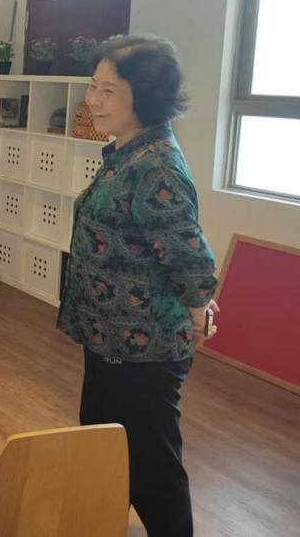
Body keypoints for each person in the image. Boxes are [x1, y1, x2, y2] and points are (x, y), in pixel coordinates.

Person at [57, 35, 219, 537]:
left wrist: (199, 311)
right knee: (102, 451)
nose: (94, 100)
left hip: (143, 349)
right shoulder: (128, 154)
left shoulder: (157, 168)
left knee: (152, 469)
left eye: (109, 91)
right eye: (93, 86)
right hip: (109, 339)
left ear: (144, 98)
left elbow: (190, 258)